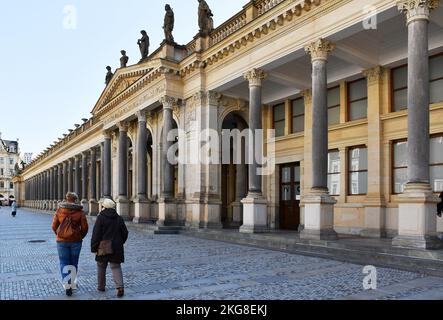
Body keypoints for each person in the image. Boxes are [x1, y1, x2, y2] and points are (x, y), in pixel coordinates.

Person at [52, 192, 89, 297]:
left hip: (62, 242)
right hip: (76, 242)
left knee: (64, 262)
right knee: (74, 263)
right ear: (75, 199)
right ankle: (72, 283)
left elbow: (54, 226)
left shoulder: (60, 210)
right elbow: (85, 228)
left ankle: (66, 285)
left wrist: (59, 235)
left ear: (67, 198)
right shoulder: (80, 212)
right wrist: (79, 236)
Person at [91, 198, 128, 298]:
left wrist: (94, 248)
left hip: (103, 246)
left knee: (101, 266)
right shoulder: (119, 218)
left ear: (104, 207)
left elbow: (96, 235)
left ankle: (101, 286)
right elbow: (125, 233)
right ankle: (120, 287)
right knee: (116, 266)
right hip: (116, 246)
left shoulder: (100, 217)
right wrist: (120, 242)